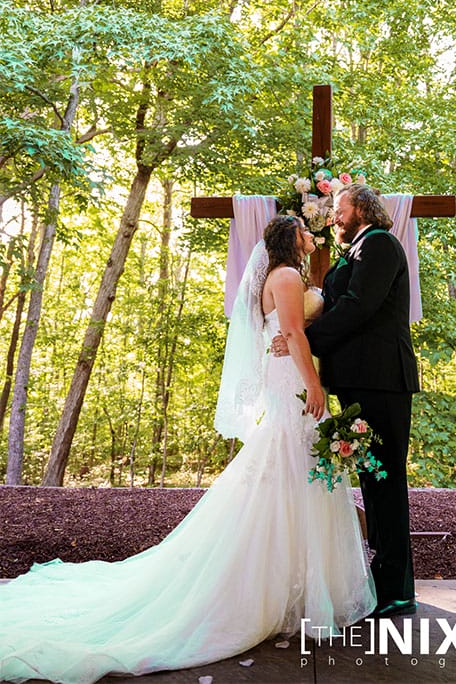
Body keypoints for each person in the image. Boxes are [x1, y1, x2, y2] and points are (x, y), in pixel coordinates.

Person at [0, 215, 376, 684]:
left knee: (294, 475)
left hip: (286, 382)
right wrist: (314, 385)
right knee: (288, 470)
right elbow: (295, 334)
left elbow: (293, 329)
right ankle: (270, 588)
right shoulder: (285, 276)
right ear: (290, 239)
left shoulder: (283, 276)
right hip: (292, 385)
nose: (309, 233)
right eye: (303, 229)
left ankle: (292, 586)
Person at [273, 184, 419, 618]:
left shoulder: (379, 245)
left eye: (339, 208)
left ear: (363, 209)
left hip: (383, 381)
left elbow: (359, 305)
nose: (333, 215)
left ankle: (397, 590)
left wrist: (304, 340)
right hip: (359, 381)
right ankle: (383, 580)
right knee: (373, 481)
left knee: (387, 480)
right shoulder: (355, 249)